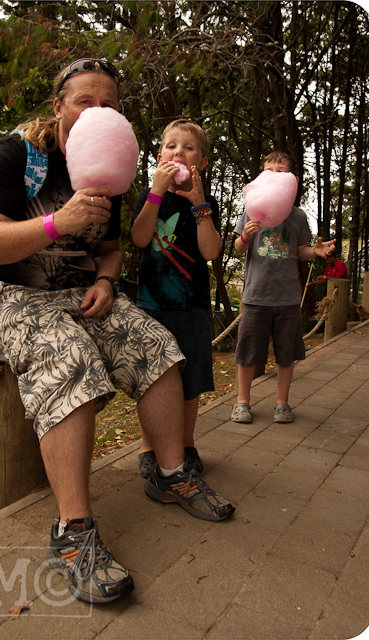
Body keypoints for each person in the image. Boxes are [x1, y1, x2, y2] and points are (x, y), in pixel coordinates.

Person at [0, 59, 234, 606]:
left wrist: (109, 282)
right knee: (69, 359)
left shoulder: (107, 169)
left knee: (158, 343)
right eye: (86, 101)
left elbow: (111, 250)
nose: (99, 112)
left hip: (80, 294)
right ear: (59, 107)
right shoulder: (17, 155)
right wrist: (56, 223)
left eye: (109, 103)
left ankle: (169, 472)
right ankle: (73, 533)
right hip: (3, 298)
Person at [131, 119, 221, 478]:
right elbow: (139, 238)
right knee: (151, 382)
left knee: (190, 382)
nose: (178, 152)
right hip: (151, 308)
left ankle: (186, 444)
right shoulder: (150, 196)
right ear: (158, 158)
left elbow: (211, 251)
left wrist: (200, 206)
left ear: (201, 162)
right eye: (171, 146)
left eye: (188, 147)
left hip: (193, 308)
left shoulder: (206, 203)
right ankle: (148, 447)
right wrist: (155, 192)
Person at [231, 151, 335, 425]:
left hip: (288, 297)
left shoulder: (297, 216)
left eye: (281, 171)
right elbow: (238, 248)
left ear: (293, 180)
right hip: (256, 296)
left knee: (286, 353)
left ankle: (282, 403)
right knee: (248, 353)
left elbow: (300, 251)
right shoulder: (251, 210)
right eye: (268, 170)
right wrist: (245, 236)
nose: (274, 175)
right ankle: (242, 401)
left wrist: (315, 250)